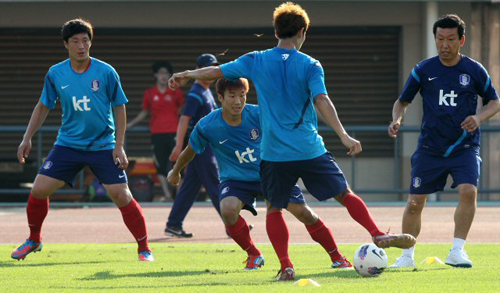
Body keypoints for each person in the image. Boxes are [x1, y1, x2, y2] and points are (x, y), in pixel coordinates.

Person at [168, 2, 415, 280]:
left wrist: (187, 74)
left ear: (276, 31)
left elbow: (216, 72)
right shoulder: (311, 64)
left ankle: (286, 265)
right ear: (302, 32)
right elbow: (322, 100)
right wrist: (343, 135)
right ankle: (377, 232)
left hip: (274, 154)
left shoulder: (256, 59)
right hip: (309, 148)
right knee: (344, 194)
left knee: (275, 208)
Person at [168, 77, 353, 271]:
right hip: (236, 179)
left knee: (304, 213)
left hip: (272, 173)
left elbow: (286, 126)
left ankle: (337, 256)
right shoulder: (207, 125)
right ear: (220, 97)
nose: (238, 101)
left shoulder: (259, 114)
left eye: (242, 95)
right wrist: (175, 170)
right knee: (228, 210)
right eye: (232, 96)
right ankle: (254, 254)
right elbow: (191, 149)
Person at [12, 19, 153, 262]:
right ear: (66, 44)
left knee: (122, 195)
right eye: (75, 41)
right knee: (39, 189)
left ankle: (144, 249)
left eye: (85, 40)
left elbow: (119, 107)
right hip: (68, 144)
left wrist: (119, 145)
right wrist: (27, 138)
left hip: (103, 146)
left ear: (91, 42)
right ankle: (34, 240)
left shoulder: (106, 72)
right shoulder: (56, 73)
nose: (81, 45)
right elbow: (43, 105)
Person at [388, 14, 499, 268]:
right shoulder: (423, 70)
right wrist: (397, 119)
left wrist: (478, 117)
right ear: (435, 39)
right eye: (440, 39)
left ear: (461, 40)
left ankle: (457, 251)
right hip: (430, 147)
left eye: (450, 39)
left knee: (469, 191)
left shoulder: (474, 70)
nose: (445, 45)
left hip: (465, 146)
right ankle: (406, 256)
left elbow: (494, 102)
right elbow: (402, 101)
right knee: (415, 202)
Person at [164, 53, 222, 238]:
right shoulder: (196, 94)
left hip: (205, 146)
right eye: (207, 68)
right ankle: (233, 223)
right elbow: (184, 119)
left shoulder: (206, 92)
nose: (211, 72)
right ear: (198, 70)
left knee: (190, 187)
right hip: (199, 147)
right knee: (214, 184)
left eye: (213, 68)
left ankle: (173, 224)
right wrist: (179, 145)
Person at [127, 61, 184, 201]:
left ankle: (179, 195)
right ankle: (167, 195)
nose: (163, 76)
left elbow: (183, 109)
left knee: (178, 164)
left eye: (166, 73)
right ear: (156, 75)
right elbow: (144, 112)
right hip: (157, 134)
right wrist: (129, 124)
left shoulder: (176, 91)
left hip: (174, 133)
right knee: (160, 165)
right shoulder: (150, 93)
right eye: (160, 73)